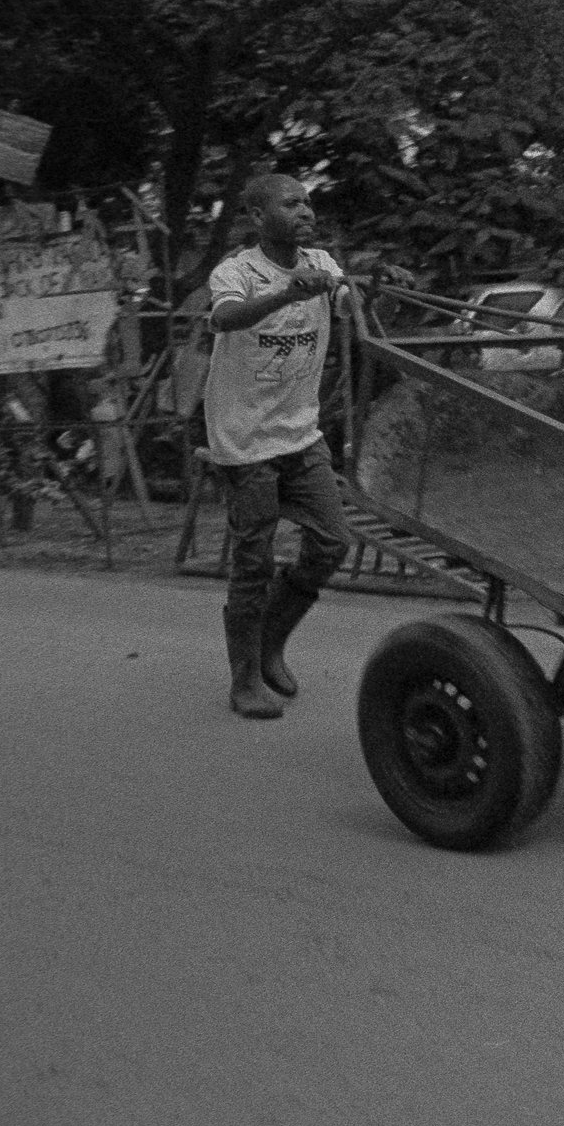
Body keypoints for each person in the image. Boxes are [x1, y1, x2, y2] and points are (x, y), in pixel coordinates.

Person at [205, 174, 349, 720]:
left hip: (300, 433)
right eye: (291, 204)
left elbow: (346, 300)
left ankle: (270, 641)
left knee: (333, 542)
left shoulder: (322, 262)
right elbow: (224, 317)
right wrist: (286, 294)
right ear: (258, 217)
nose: (305, 210)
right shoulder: (235, 271)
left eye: (308, 201)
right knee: (253, 561)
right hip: (245, 441)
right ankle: (245, 680)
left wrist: (371, 286)